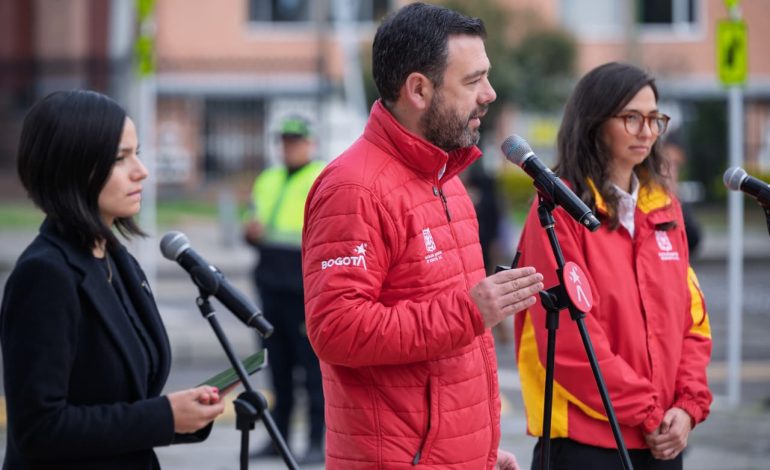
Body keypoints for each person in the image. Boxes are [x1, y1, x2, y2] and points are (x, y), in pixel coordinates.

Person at [301, 3, 543, 469]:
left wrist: (479, 450)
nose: (489, 94)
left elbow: (450, 361)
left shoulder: (446, 179)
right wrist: (470, 311)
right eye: (472, 81)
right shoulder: (354, 188)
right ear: (418, 89)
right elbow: (336, 330)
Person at [0, 90, 225, 469]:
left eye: (137, 153)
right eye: (120, 158)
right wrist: (164, 416)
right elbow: (38, 428)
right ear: (74, 166)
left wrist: (183, 417)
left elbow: (118, 405)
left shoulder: (117, 260)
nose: (141, 170)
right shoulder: (45, 275)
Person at [514, 62, 713, 469]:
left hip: (664, 441)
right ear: (594, 122)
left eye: (655, 118)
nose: (647, 131)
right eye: (631, 118)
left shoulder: (664, 208)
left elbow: (691, 321)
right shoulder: (557, 210)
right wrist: (650, 413)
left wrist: (688, 408)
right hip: (585, 445)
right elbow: (571, 342)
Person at [243, 115, 325, 464]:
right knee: (277, 368)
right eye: (285, 141)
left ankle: (318, 440)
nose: (289, 147)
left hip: (304, 289)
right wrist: (250, 231)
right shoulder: (268, 178)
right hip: (270, 286)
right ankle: (278, 437)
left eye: (296, 141)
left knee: (312, 371)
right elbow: (251, 226)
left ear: (310, 143)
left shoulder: (321, 177)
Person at [661, 129, 702, 254]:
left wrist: (675, 201)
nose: (671, 170)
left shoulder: (677, 200)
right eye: (667, 162)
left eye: (676, 165)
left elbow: (694, 240)